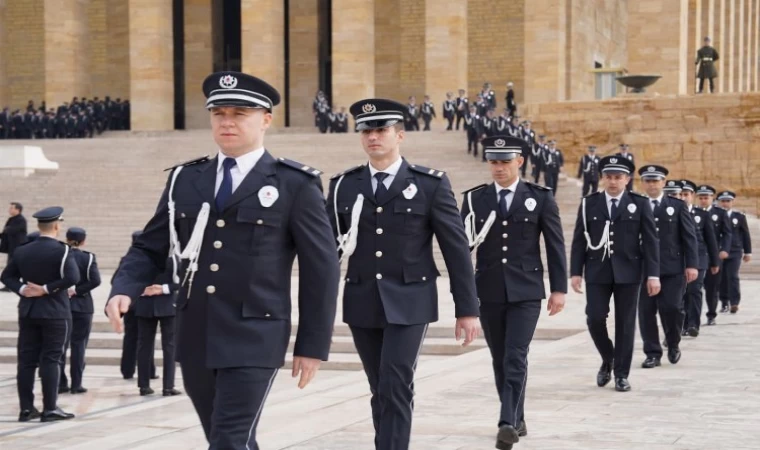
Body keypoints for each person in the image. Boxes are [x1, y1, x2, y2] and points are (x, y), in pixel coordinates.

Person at [106, 71, 340, 449]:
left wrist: (312, 344)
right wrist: (123, 288)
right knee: (230, 437)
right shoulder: (186, 178)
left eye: (239, 113)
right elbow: (150, 245)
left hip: (255, 334)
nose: (227, 121)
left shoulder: (294, 184)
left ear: (266, 119)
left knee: (228, 440)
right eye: (219, 113)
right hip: (196, 331)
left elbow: (322, 269)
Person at [327, 98, 480, 450]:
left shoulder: (430, 184)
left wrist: (467, 309)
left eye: (381, 130)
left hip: (411, 299)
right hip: (362, 298)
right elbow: (326, 248)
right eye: (366, 131)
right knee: (379, 387)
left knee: (396, 383)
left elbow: (456, 249)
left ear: (400, 136)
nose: (373, 137)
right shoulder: (343, 186)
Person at [460, 136, 566, 450]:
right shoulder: (475, 200)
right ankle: (517, 417)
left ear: (519, 161)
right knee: (499, 358)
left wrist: (558, 289)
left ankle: (506, 421)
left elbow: (555, 245)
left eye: (505, 161)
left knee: (516, 355)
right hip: (489, 289)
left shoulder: (540, 197)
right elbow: (462, 248)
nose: (499, 167)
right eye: (494, 161)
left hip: (526, 291)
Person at [570, 156, 660, 392]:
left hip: (629, 272)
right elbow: (579, 239)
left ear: (627, 179)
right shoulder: (589, 203)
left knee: (625, 324)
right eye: (609, 177)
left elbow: (651, 242)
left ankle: (621, 374)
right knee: (595, 317)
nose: (613, 182)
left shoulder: (639, 203)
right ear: (602, 178)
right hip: (597, 270)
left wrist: (653, 275)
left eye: (618, 177)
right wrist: (575, 272)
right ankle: (608, 358)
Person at [0, 206, 79, 422]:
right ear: (56, 225)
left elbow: (6, 276)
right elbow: (72, 277)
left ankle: (26, 409)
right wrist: (46, 288)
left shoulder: (23, 250)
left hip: (28, 310)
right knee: (51, 359)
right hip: (54, 312)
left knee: (26, 361)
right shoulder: (62, 250)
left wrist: (23, 289)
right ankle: (50, 408)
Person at [636, 166, 698, 369]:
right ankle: (652, 352)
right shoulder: (635, 205)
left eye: (656, 181)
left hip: (672, 267)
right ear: (643, 183)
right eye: (648, 181)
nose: (652, 184)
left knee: (672, 308)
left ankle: (673, 343)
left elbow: (689, 237)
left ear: (663, 183)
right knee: (646, 312)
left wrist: (692, 264)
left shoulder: (677, 206)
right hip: (644, 269)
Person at [59, 227, 101, 394]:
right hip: (83, 306)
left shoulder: (60, 255)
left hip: (62, 305)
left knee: (60, 345)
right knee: (79, 345)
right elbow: (95, 280)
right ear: (83, 240)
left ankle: (61, 383)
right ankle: (76, 384)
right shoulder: (88, 257)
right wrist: (77, 290)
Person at [135, 249, 182, 397]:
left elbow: (124, 280)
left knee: (144, 346)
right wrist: (164, 289)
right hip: (167, 305)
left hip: (145, 305)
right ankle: (168, 386)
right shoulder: (173, 259)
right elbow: (183, 282)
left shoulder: (139, 258)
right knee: (169, 346)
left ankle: (144, 385)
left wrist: (144, 289)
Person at [679, 180, 719, 337]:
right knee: (681, 294)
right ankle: (682, 324)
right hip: (679, 260)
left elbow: (711, 240)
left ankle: (694, 324)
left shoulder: (702, 215)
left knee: (694, 291)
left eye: (686, 194)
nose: (683, 197)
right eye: (680, 194)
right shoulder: (671, 212)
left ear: (692, 196)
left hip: (699, 259)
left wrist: (714, 262)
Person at [696, 185, 731, 323]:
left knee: (712, 288)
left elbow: (727, 234)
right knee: (694, 289)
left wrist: (724, 249)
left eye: (707, 197)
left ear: (712, 198)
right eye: (701, 198)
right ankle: (692, 318)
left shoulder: (720, 213)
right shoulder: (693, 212)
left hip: (713, 255)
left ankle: (711, 315)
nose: (704, 200)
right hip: (697, 254)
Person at [717, 191, 752, 314]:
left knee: (733, 276)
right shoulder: (714, 215)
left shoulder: (739, 216)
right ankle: (724, 302)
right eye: (723, 201)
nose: (725, 203)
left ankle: (734, 303)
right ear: (719, 202)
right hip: (719, 251)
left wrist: (748, 252)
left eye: (728, 201)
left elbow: (745, 234)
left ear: (732, 202)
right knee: (721, 278)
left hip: (735, 251)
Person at [1, 202, 28, 291]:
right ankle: (9, 285)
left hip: (18, 248)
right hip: (11, 247)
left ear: (18, 210)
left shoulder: (21, 220)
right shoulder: (11, 219)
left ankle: (22, 284)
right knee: (10, 266)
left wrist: (6, 229)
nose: (10, 209)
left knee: (17, 266)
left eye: (12, 208)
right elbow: (5, 233)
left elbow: (12, 230)